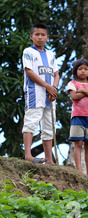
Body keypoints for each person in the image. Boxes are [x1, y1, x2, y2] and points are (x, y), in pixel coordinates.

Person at [22, 23, 60, 164]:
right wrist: (47, 86)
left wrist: (54, 88)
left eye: (43, 35)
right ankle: (28, 154)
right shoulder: (28, 52)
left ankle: (49, 159)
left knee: (49, 126)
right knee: (31, 121)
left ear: (47, 38)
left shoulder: (50, 54)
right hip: (35, 93)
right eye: (37, 34)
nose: (40, 37)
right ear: (31, 36)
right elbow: (29, 71)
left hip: (50, 96)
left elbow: (56, 74)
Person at [67, 59, 88, 176]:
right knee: (78, 144)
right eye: (80, 69)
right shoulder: (72, 83)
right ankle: (79, 170)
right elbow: (74, 97)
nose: (83, 71)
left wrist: (82, 91)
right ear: (75, 71)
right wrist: (86, 91)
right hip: (77, 117)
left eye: (86, 69)